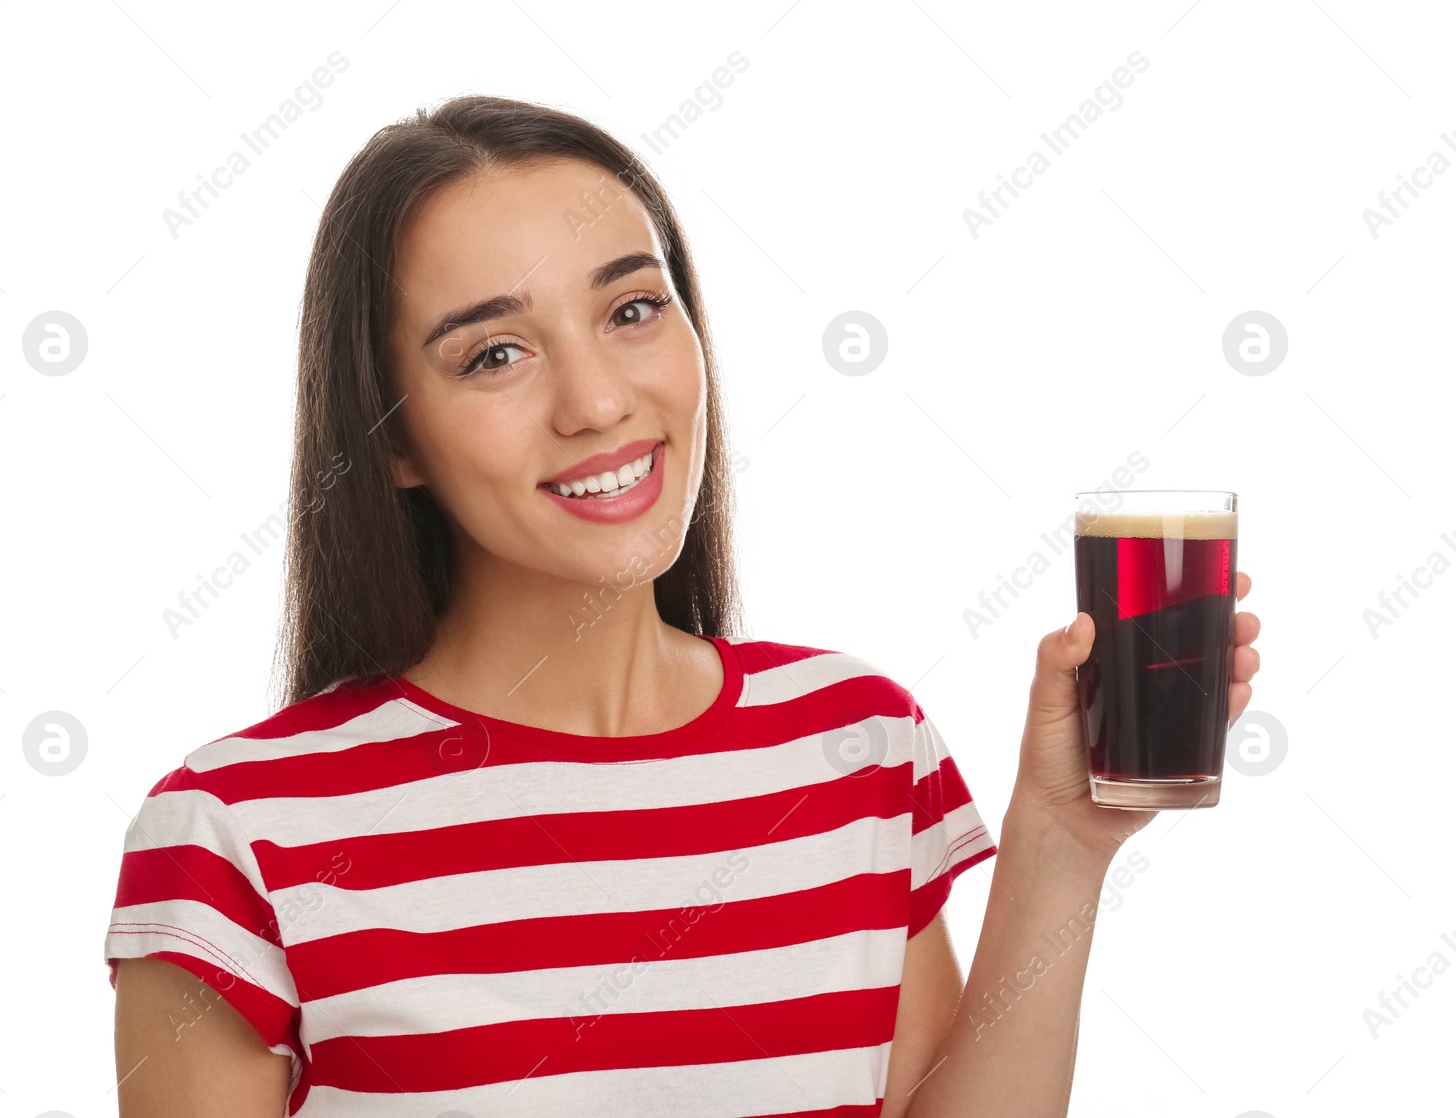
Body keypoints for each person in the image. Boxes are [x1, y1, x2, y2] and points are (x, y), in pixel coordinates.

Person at [104, 95, 1262, 1117]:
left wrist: (1060, 841)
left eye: (630, 310)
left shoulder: (855, 745)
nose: (599, 399)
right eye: (496, 353)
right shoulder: (235, 840)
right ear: (393, 433)